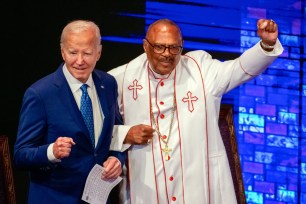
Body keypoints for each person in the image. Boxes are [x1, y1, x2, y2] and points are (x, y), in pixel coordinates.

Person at [108, 18, 284, 204]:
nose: (167, 54)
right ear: (145, 46)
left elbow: (239, 68)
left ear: (182, 46)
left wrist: (266, 45)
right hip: (146, 188)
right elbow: (93, 133)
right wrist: (125, 134)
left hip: (197, 186)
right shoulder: (120, 79)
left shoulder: (201, 70)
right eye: (159, 47)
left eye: (174, 48)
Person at [14, 20, 125, 204]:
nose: (80, 61)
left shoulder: (109, 84)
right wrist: (51, 152)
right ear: (62, 52)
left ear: (99, 52)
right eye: (73, 52)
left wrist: (117, 158)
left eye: (87, 53)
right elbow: (20, 155)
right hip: (54, 198)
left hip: (97, 198)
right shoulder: (40, 94)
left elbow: (116, 132)